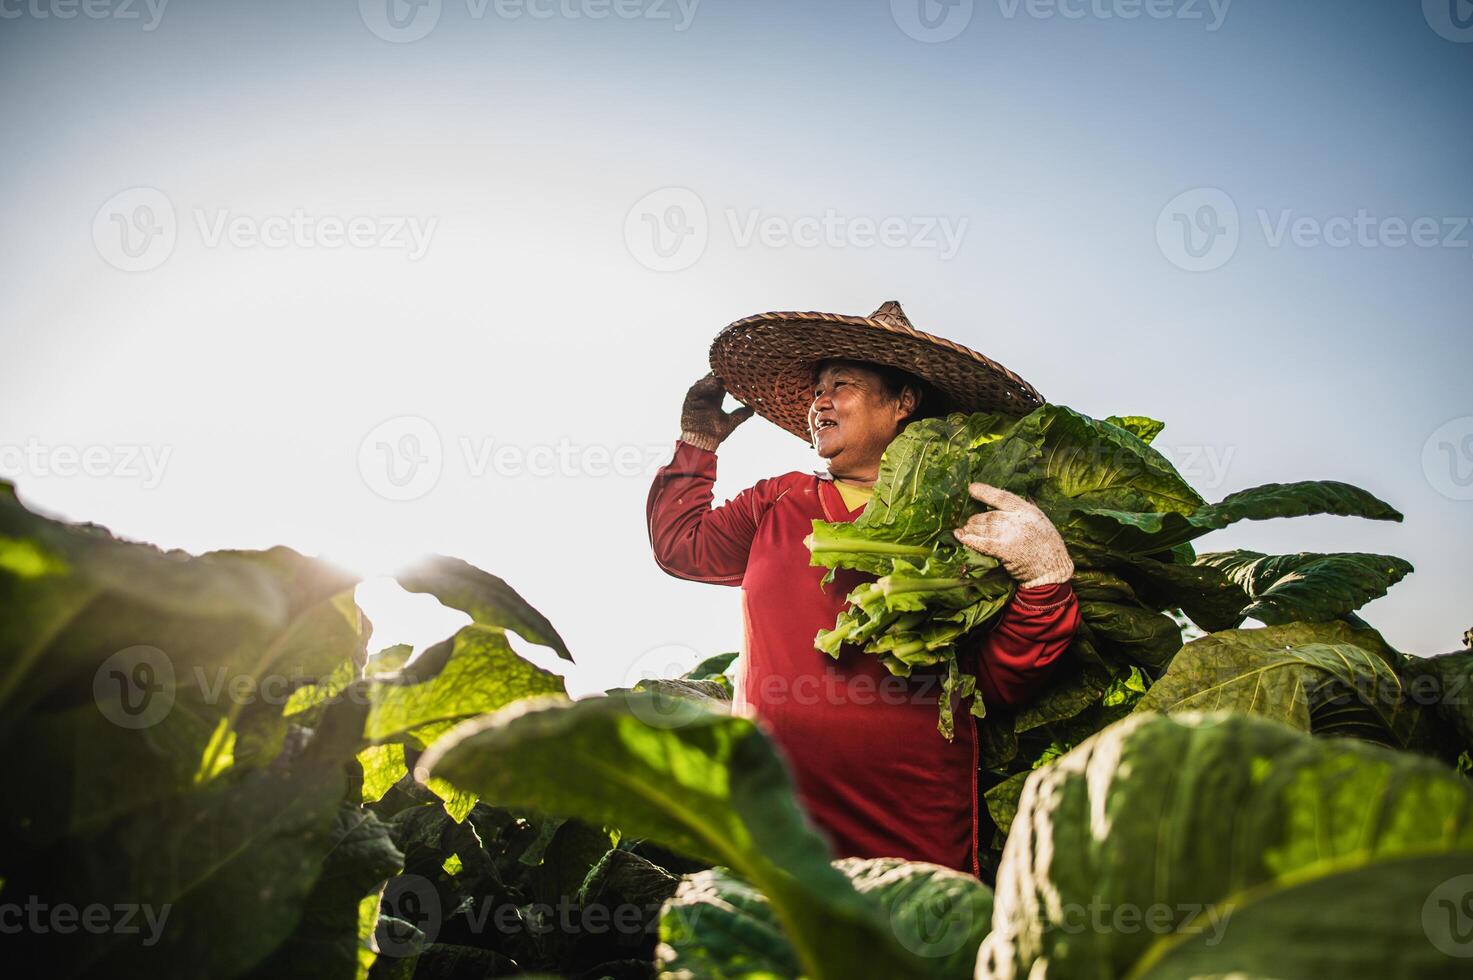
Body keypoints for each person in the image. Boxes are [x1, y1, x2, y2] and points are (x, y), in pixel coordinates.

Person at [644, 301, 1081, 877]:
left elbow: (997, 683)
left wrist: (1046, 578)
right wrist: (697, 440)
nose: (818, 402)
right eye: (816, 389)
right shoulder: (779, 499)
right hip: (774, 824)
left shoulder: (966, 515)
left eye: (841, 385)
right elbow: (680, 546)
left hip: (911, 828)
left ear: (903, 403)